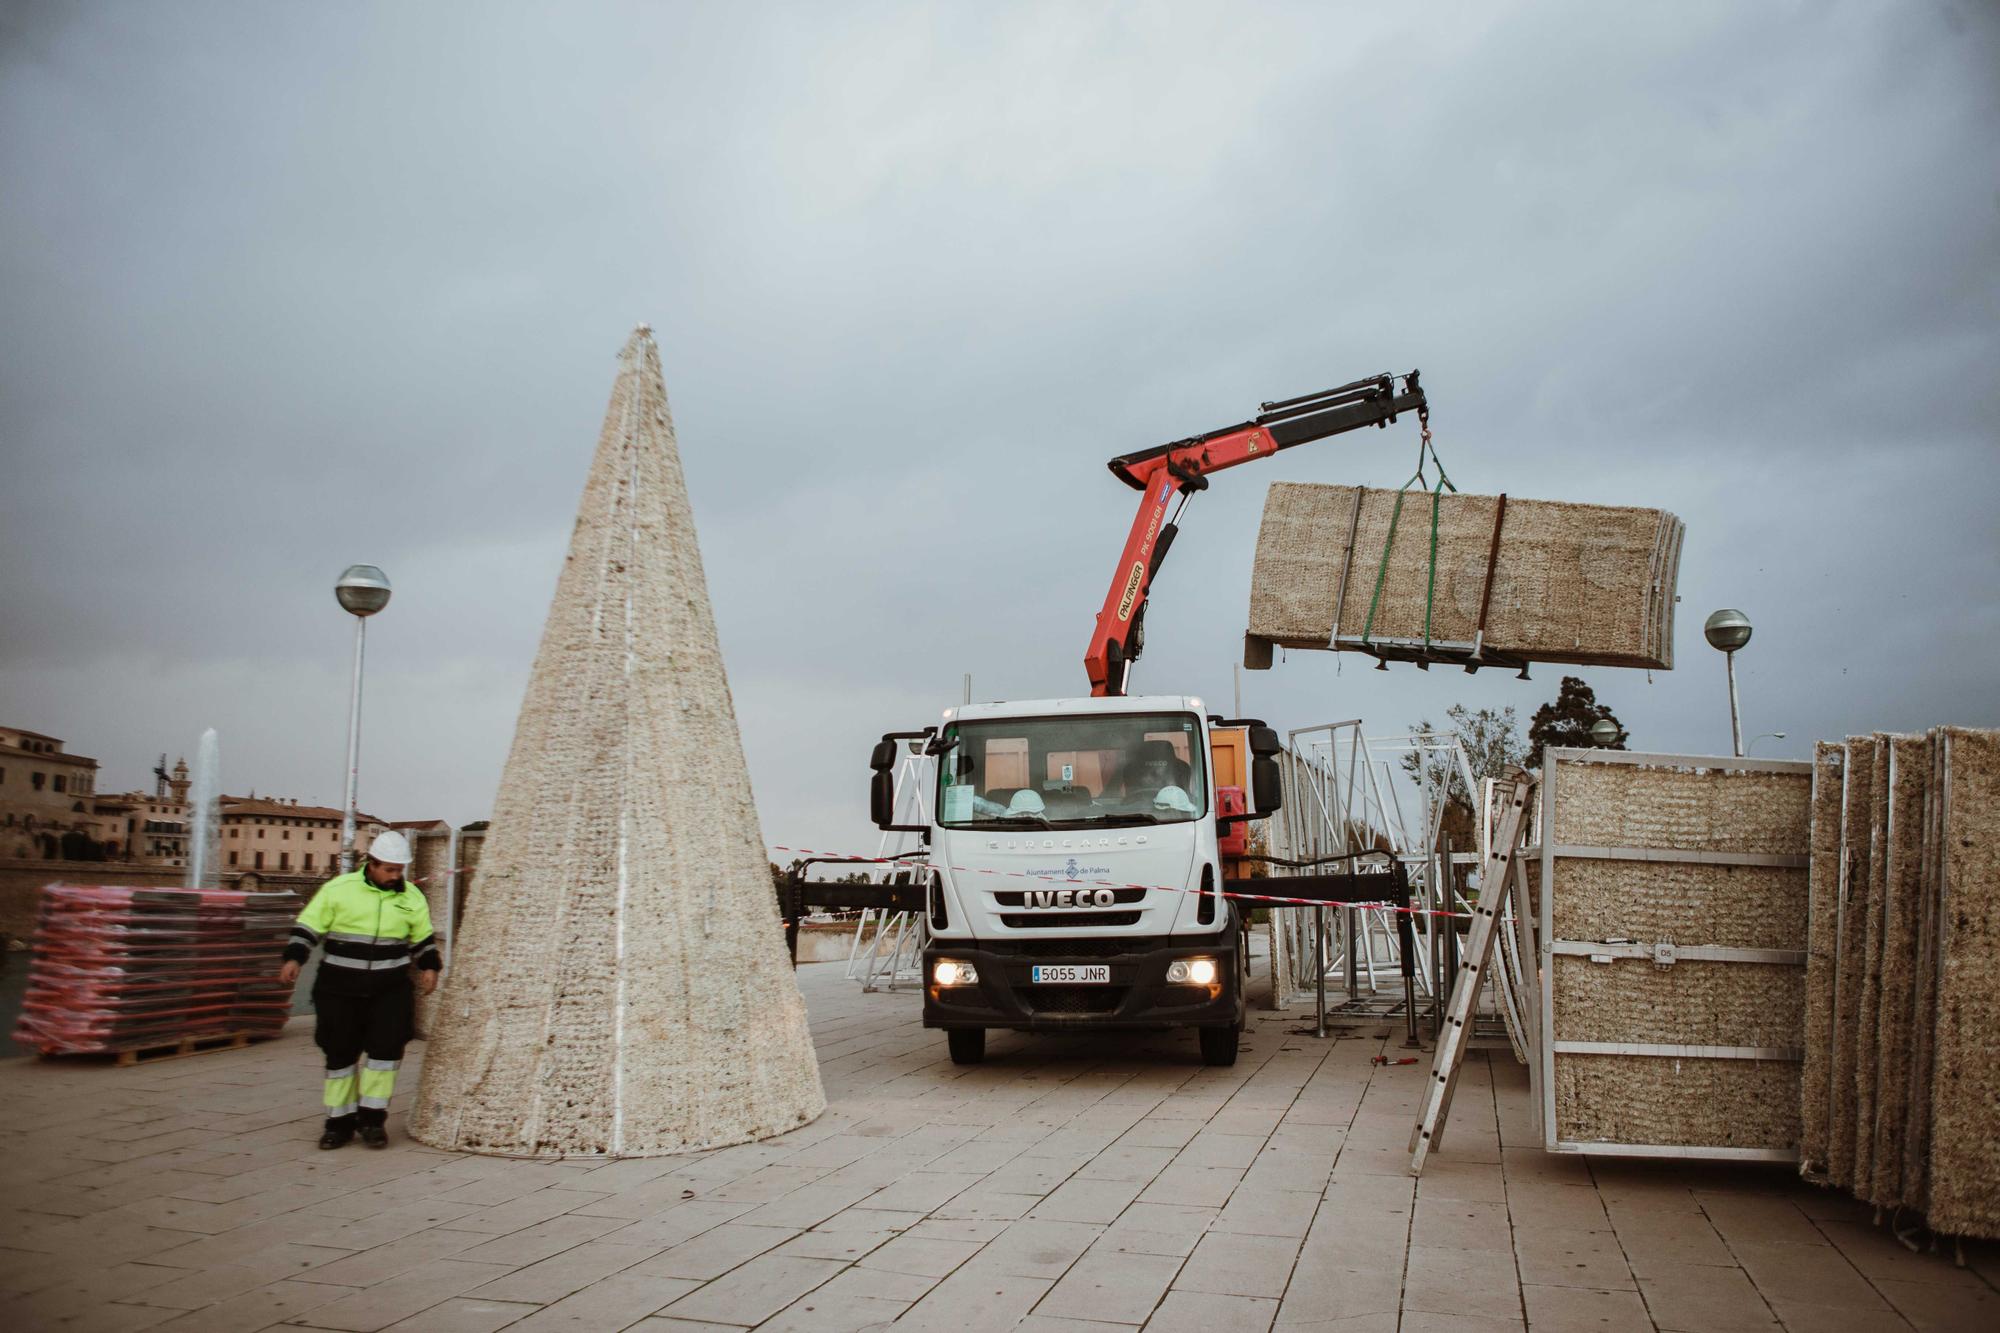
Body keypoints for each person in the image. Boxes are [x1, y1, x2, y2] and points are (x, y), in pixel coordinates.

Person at [277, 831, 441, 1149]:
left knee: (385, 1055)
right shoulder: (339, 890)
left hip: (389, 991)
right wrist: (294, 958)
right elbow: (307, 926)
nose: (396, 876)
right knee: (339, 1055)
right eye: (389, 870)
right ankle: (338, 1123)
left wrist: (430, 966)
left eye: (400, 870)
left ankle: (372, 1121)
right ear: (372, 864)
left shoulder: (411, 898)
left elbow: (423, 938)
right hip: (339, 990)